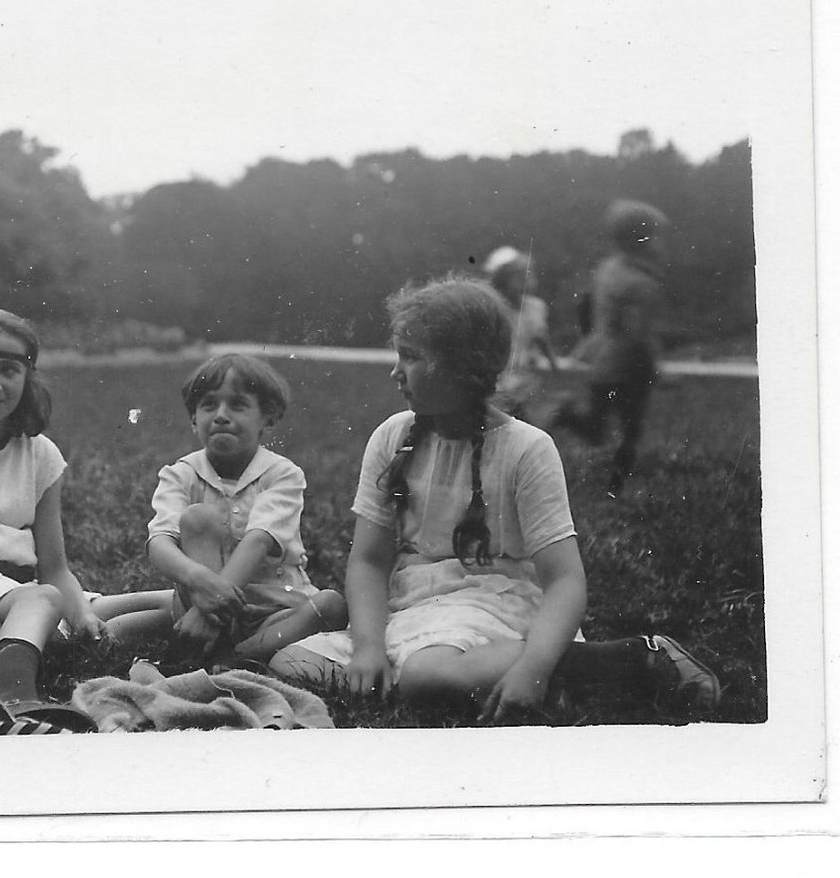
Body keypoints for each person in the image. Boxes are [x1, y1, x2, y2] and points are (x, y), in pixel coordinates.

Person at [269, 274, 719, 723]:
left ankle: (631, 660)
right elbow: (368, 560)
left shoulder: (526, 448)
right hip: (414, 603)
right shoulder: (392, 437)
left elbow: (564, 580)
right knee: (291, 663)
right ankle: (476, 669)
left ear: (463, 367)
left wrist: (533, 668)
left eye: (411, 357)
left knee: (426, 675)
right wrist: (368, 648)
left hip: (494, 601)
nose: (395, 372)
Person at [0, 307, 170, 717]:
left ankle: (67, 639)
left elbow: (54, 568)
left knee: (165, 601)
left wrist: (79, 615)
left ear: (27, 378)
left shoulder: (40, 454)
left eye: (8, 371)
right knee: (41, 601)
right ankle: (16, 697)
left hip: (24, 589)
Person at [145, 353, 347, 665]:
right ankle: (225, 649)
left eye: (237, 405)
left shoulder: (282, 474)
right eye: (209, 405)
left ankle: (234, 656)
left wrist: (206, 610)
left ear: (268, 416)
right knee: (198, 517)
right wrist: (200, 582)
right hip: (199, 601)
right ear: (193, 417)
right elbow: (159, 543)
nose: (221, 415)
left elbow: (259, 540)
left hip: (275, 611)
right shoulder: (180, 473)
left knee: (330, 605)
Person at [551, 199, 670, 496]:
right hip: (629, 368)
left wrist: (591, 341)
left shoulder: (608, 269)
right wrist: (655, 369)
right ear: (641, 240)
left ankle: (565, 414)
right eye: (655, 235)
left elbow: (589, 306)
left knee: (596, 427)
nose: (659, 242)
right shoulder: (643, 283)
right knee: (631, 431)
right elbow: (638, 335)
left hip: (602, 363)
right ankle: (615, 489)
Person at [482, 246, 559, 415]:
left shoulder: (536, 307)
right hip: (499, 378)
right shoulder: (491, 308)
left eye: (528, 272)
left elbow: (541, 338)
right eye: (518, 274)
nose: (526, 278)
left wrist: (555, 368)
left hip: (524, 378)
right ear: (502, 278)